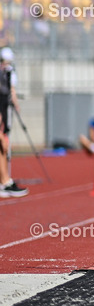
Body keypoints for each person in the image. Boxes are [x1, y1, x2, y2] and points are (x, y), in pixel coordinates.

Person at [0, 47, 26, 197]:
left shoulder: (6, 72)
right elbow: (12, 91)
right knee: (2, 142)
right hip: (4, 107)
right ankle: (4, 181)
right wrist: (16, 104)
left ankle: (5, 181)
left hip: (3, 108)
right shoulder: (8, 72)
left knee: (2, 142)